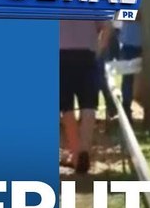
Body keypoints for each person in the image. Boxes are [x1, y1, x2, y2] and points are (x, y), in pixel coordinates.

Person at [60, 19, 111, 173]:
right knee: (89, 105)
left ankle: (76, 154)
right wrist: (98, 50)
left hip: (60, 55)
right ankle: (84, 151)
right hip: (87, 55)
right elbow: (107, 26)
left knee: (66, 106)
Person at [118, 14, 143, 122]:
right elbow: (120, 14)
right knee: (128, 78)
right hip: (129, 43)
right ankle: (126, 108)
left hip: (147, 43)